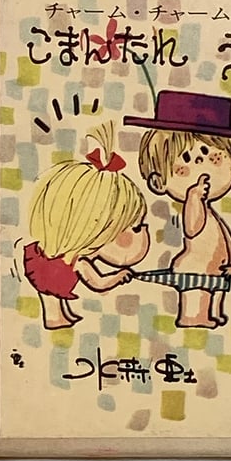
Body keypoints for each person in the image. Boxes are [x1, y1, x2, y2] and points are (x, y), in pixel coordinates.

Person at [124, 91, 231, 328]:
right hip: (194, 267)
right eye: (184, 161)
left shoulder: (212, 214)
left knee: (214, 299)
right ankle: (193, 317)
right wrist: (194, 197)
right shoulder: (194, 203)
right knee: (197, 300)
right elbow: (193, 229)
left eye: (210, 156)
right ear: (158, 181)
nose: (199, 164)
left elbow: (225, 238)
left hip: (216, 270)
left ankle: (211, 316)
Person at [23, 122, 150, 329]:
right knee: (52, 302)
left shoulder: (73, 258)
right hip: (47, 274)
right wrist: (118, 277)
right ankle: (56, 320)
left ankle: (60, 316)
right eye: (134, 228)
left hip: (44, 267)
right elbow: (98, 283)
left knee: (54, 298)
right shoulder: (79, 262)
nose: (143, 235)